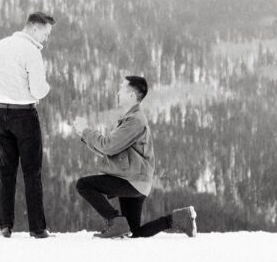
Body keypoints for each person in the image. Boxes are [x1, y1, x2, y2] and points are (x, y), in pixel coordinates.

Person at [72, 75, 196, 238]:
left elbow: (108, 146)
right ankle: (179, 219)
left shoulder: (134, 121)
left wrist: (87, 130)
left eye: (121, 89)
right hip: (136, 180)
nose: (117, 92)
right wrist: (84, 134)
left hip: (130, 179)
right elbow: (110, 150)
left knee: (83, 185)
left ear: (131, 95)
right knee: (134, 231)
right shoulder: (131, 119)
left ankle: (115, 221)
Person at [0, 12, 55, 238]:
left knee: (7, 171)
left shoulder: (0, 45)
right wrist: (47, 88)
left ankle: (5, 225)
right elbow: (38, 90)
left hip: (0, 113)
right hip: (24, 115)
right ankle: (37, 228)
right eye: (45, 33)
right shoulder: (31, 52)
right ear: (34, 29)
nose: (46, 38)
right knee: (31, 172)